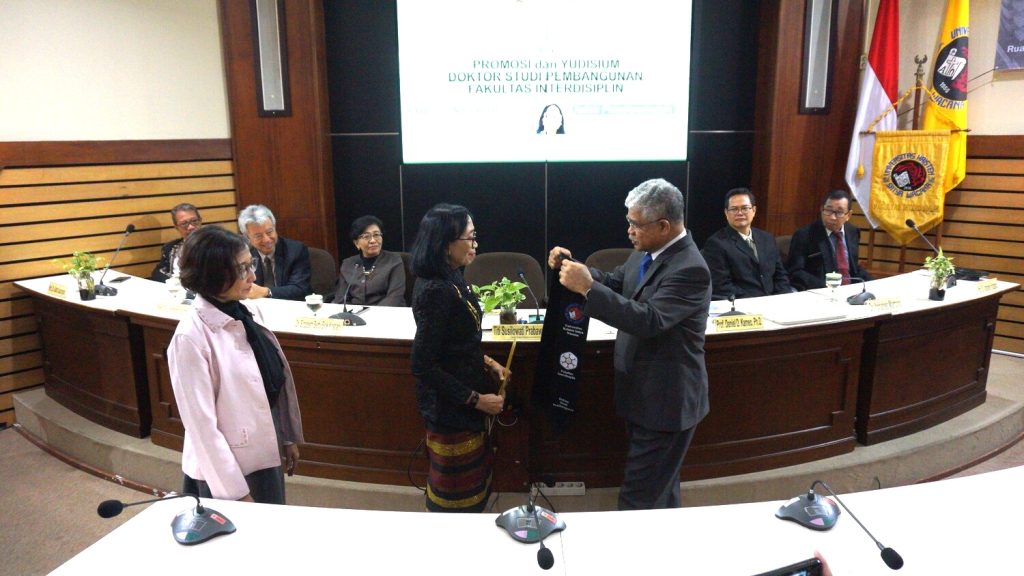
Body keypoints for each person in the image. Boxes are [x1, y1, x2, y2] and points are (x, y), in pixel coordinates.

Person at [548, 178, 711, 510]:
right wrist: (574, 266)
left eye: (636, 224)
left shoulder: (690, 268)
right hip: (643, 395)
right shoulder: (647, 252)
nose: (629, 230)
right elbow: (615, 283)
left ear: (664, 226)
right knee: (660, 488)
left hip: (666, 403)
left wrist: (588, 288)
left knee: (638, 499)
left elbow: (648, 320)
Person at [168, 226, 303, 504]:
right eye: (242, 269)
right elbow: (201, 428)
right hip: (228, 468)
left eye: (250, 264)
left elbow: (269, 383)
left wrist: (286, 437)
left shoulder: (247, 310)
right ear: (213, 274)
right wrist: (235, 493)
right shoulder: (190, 337)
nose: (253, 277)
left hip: (263, 449)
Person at [409, 203, 509, 512]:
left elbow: (459, 342)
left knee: (474, 491)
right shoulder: (436, 291)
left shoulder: (454, 276)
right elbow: (423, 365)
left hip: (465, 399)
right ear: (445, 242)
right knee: (455, 502)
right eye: (470, 237)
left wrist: (488, 362)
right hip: (450, 410)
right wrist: (477, 399)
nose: (475, 243)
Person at [700, 187, 792, 300]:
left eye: (745, 208)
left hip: (773, 301)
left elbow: (780, 274)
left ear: (754, 210)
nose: (740, 213)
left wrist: (782, 297)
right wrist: (757, 300)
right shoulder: (716, 243)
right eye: (734, 209)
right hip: (742, 304)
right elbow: (721, 285)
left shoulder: (767, 238)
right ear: (726, 213)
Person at [787, 189, 872, 291]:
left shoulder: (852, 232)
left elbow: (853, 267)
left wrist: (873, 284)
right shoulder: (804, 235)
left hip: (850, 291)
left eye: (839, 212)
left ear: (848, 215)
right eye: (828, 210)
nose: (832, 217)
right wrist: (826, 288)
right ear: (821, 209)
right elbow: (795, 271)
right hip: (819, 290)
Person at [238, 204, 312, 300]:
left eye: (269, 232)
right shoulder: (244, 255)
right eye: (258, 236)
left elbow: (300, 289)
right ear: (247, 237)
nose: (267, 240)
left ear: (275, 227)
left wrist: (266, 291)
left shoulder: (296, 250)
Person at [333, 215, 406, 306]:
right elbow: (341, 298)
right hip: (356, 315)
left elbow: (395, 296)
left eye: (376, 235)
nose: (373, 240)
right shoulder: (348, 264)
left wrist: (372, 316)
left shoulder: (394, 260)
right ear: (356, 243)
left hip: (386, 313)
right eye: (366, 236)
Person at [150, 203, 202, 282]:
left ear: (200, 221)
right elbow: (157, 273)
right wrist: (174, 282)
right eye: (184, 223)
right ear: (176, 227)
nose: (191, 227)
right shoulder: (170, 248)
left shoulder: (215, 245)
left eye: (194, 221)